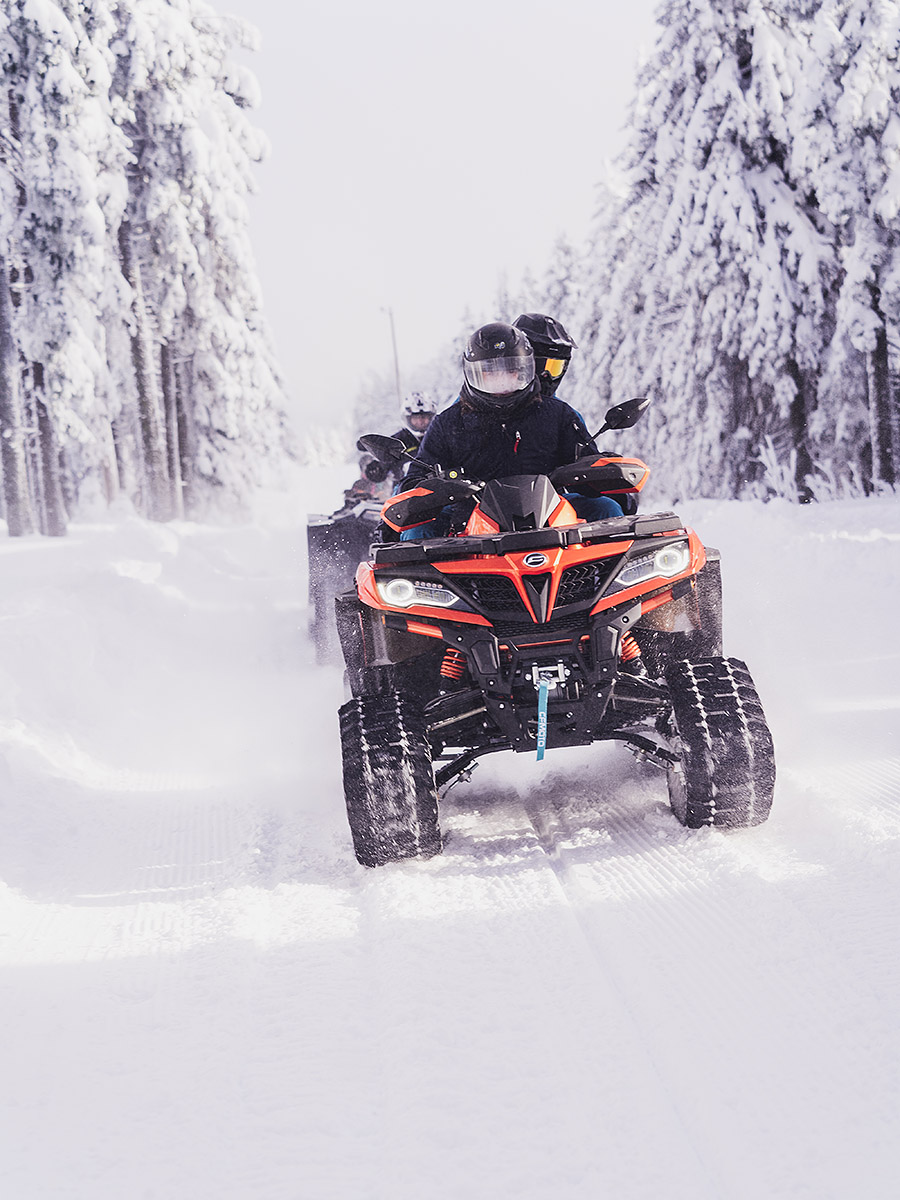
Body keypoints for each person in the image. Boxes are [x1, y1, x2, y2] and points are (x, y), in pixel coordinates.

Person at [399, 322, 623, 539]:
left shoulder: (557, 414)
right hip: (468, 519)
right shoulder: (448, 424)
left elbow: (588, 460)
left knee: (605, 508)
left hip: (553, 513)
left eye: (510, 371)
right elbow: (416, 478)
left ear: (525, 369)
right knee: (418, 530)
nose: (501, 382)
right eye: (491, 373)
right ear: (473, 374)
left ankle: (608, 575)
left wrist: (601, 469)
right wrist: (436, 486)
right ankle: (415, 578)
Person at [512, 312, 577, 398]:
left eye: (555, 368)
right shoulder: (495, 402)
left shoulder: (561, 411)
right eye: (539, 366)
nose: (546, 376)